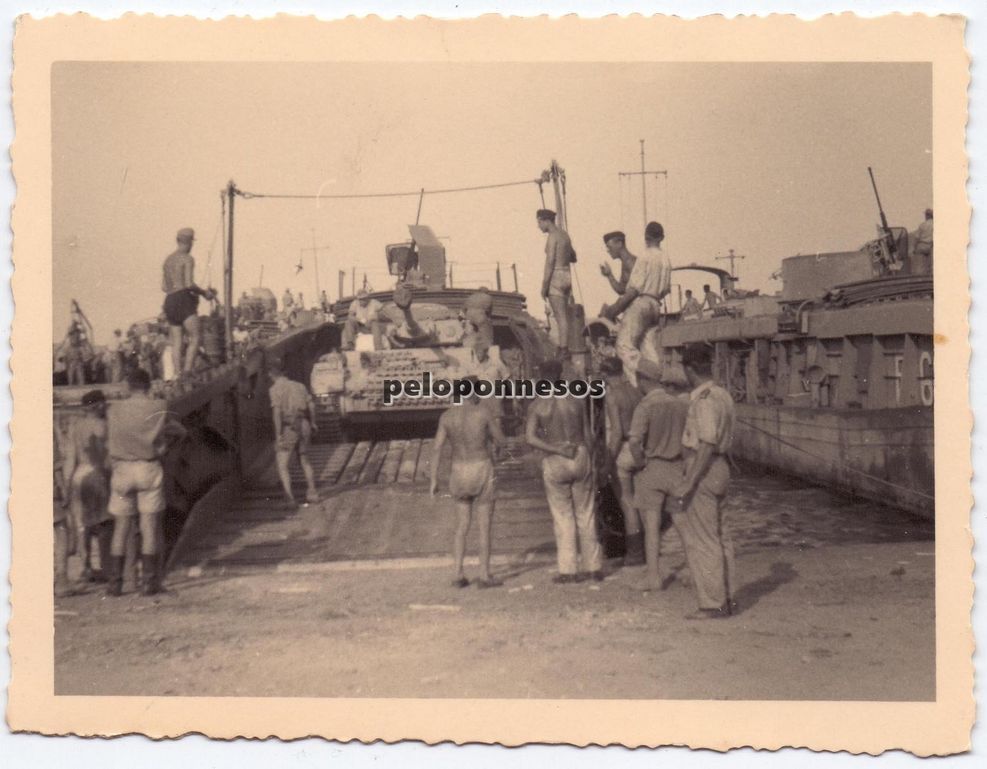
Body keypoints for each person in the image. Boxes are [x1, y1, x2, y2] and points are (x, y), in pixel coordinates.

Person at [106, 368, 187, 596]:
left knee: (121, 529)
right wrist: (164, 447)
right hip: (148, 468)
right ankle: (149, 583)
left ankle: (115, 584)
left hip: (122, 469)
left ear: (128, 385)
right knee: (149, 528)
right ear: (148, 385)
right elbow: (180, 431)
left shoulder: (113, 409)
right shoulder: (158, 406)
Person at [670, 344, 736, 619]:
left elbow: (707, 442)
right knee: (720, 536)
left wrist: (689, 482)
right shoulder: (722, 395)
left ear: (689, 369)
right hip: (721, 467)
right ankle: (727, 596)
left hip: (704, 468)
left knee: (703, 538)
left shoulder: (704, 400)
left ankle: (712, 604)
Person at [526, 359, 603, 583]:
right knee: (586, 513)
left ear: (542, 377)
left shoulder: (538, 405)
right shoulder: (576, 400)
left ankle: (568, 570)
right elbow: (589, 435)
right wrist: (591, 461)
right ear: (560, 375)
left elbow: (530, 438)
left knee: (562, 516)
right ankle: (593, 567)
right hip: (580, 454)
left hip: (556, 458)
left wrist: (555, 449)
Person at [430, 376, 507, 588]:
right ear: (473, 393)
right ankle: (484, 575)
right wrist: (492, 440)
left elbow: (436, 448)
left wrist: (434, 479)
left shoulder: (446, 416)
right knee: (484, 526)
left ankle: (457, 574)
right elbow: (501, 440)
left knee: (461, 526)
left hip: (458, 471)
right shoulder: (483, 412)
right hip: (480, 467)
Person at [627, 359, 690, 592]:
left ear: (643, 379)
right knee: (682, 523)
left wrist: (641, 462)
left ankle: (653, 577)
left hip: (653, 468)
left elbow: (634, 442)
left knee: (651, 526)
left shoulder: (645, 406)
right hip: (677, 468)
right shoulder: (680, 404)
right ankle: (693, 571)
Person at [602, 221, 672, 387]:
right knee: (649, 350)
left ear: (645, 237)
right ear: (661, 238)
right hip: (656, 304)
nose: (608, 250)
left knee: (624, 347)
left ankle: (637, 386)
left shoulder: (644, 257)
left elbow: (632, 291)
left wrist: (612, 311)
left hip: (642, 303)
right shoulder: (665, 259)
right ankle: (657, 384)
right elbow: (665, 289)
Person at [62, 390, 114, 584]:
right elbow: (110, 457)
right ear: (99, 405)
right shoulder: (104, 426)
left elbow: (70, 459)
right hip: (99, 475)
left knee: (82, 524)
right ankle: (107, 567)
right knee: (104, 523)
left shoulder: (76, 427)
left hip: (79, 475)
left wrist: (67, 485)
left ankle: (86, 567)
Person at [600, 357, 644, 566]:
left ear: (605, 374)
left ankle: (635, 553)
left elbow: (616, 432)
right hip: (639, 449)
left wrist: (608, 462)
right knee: (641, 502)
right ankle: (648, 546)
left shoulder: (612, 396)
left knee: (627, 503)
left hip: (623, 450)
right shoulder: (636, 391)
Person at [162, 227, 215, 377]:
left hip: (169, 300)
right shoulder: (187, 258)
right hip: (183, 299)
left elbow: (164, 287)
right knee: (196, 336)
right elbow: (189, 284)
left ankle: (177, 374)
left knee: (176, 341)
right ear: (190, 242)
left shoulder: (168, 260)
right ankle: (187, 372)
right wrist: (204, 293)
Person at [269, 361, 320, 507]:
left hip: (289, 427)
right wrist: (313, 422)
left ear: (271, 374)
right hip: (304, 424)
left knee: (282, 464)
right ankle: (312, 493)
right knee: (305, 460)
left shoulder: (274, 389)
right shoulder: (300, 386)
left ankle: (289, 499)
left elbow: (277, 413)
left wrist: (278, 435)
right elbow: (311, 405)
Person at [537, 209, 576, 357]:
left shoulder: (552, 237)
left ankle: (563, 349)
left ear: (546, 220)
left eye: (539, 222)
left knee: (560, 317)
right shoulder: (564, 235)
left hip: (556, 276)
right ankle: (563, 347)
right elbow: (573, 256)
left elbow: (550, 262)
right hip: (566, 275)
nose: (538, 226)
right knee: (564, 315)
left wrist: (544, 286)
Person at [599, 230, 638, 298]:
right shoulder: (625, 262)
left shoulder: (630, 262)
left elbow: (635, 292)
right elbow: (622, 290)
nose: (608, 250)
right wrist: (609, 275)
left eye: (609, 246)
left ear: (619, 244)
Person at [63, 321, 89, 385]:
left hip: (76, 353)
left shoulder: (77, 332)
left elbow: (84, 335)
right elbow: (70, 333)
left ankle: (79, 384)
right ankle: (72, 384)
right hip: (73, 353)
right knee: (73, 372)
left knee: (78, 372)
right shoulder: (72, 332)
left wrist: (80, 325)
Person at [912, 208, 933, 275]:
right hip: (931, 246)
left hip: (921, 246)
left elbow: (916, 238)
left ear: (927, 215)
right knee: (932, 266)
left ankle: (920, 278)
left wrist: (914, 248)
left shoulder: (922, 225)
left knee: (920, 267)